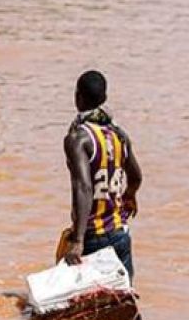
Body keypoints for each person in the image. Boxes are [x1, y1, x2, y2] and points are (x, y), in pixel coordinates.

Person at [61, 70, 143, 280]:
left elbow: (84, 187)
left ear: (77, 97)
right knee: (122, 304)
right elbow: (136, 177)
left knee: (83, 307)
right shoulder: (119, 135)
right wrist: (129, 196)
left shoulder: (78, 139)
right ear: (104, 99)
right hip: (120, 233)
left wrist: (77, 240)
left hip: (92, 237)